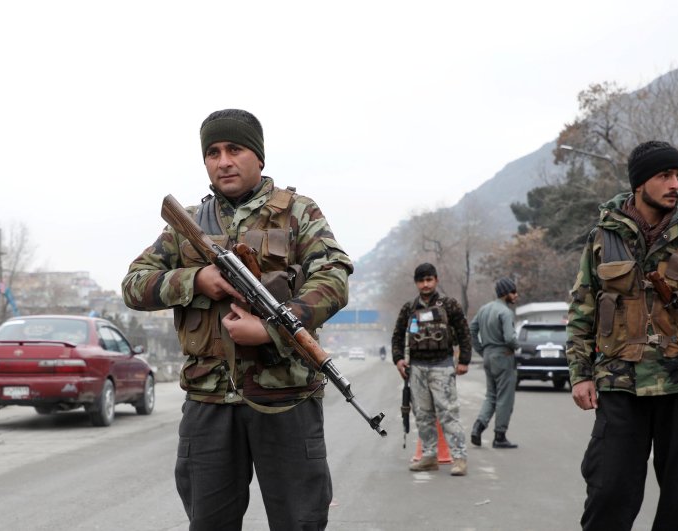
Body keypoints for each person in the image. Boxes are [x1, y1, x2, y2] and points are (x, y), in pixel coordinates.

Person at [122, 109, 353, 531]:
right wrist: (195, 279)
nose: (223, 160)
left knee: (300, 521)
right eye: (212, 152)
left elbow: (333, 278)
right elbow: (134, 284)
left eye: (235, 149)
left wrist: (271, 329)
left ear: (259, 157)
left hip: (286, 399)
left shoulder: (297, 212)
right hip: (209, 403)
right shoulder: (185, 225)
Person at [566, 140, 678, 531]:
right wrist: (580, 374)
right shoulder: (603, 236)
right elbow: (582, 308)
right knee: (608, 491)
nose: (675, 184)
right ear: (639, 183)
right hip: (620, 384)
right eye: (664, 175)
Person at [391, 262, 471, 476]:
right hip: (417, 368)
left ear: (436, 280)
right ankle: (429, 456)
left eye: (429, 280)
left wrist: (464, 359)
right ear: (416, 282)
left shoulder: (449, 305)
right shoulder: (409, 308)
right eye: (421, 280)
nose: (425, 284)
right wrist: (398, 359)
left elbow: (464, 332)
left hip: (442, 367)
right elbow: (397, 336)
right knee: (423, 414)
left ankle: (459, 458)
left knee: (448, 413)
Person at [469, 277, 521, 449]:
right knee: (505, 398)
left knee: (491, 395)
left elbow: (472, 329)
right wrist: (518, 345)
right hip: (503, 357)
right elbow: (509, 338)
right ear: (506, 293)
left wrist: (481, 350)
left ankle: (478, 426)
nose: (516, 295)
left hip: (488, 356)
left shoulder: (484, 309)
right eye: (513, 292)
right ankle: (500, 436)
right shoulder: (505, 312)